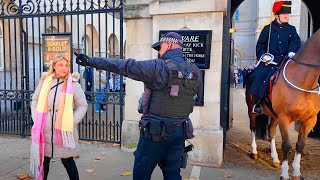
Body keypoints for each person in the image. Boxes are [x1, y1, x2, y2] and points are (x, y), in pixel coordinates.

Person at [74, 31, 203, 180]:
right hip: (180, 131)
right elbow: (196, 97)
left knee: (142, 173)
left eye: (160, 48)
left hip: (156, 132)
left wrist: (90, 61)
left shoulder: (158, 67)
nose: (159, 52)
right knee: (173, 174)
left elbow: (124, 66)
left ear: (168, 44)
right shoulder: (195, 71)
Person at [30, 56, 88, 180]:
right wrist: (37, 119)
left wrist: (71, 121)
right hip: (44, 129)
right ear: (54, 66)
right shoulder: (45, 81)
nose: (64, 68)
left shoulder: (73, 84)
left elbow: (82, 106)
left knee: (68, 161)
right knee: (44, 162)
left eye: (66, 65)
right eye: (60, 65)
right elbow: (35, 100)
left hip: (63, 131)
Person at [249, 0, 301, 114]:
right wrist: (264, 56)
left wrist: (292, 51)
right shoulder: (268, 28)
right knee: (259, 76)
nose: (287, 16)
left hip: (287, 60)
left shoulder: (291, 29)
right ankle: (257, 103)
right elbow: (260, 45)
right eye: (284, 14)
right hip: (270, 61)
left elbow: (295, 42)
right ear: (277, 15)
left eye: (287, 14)